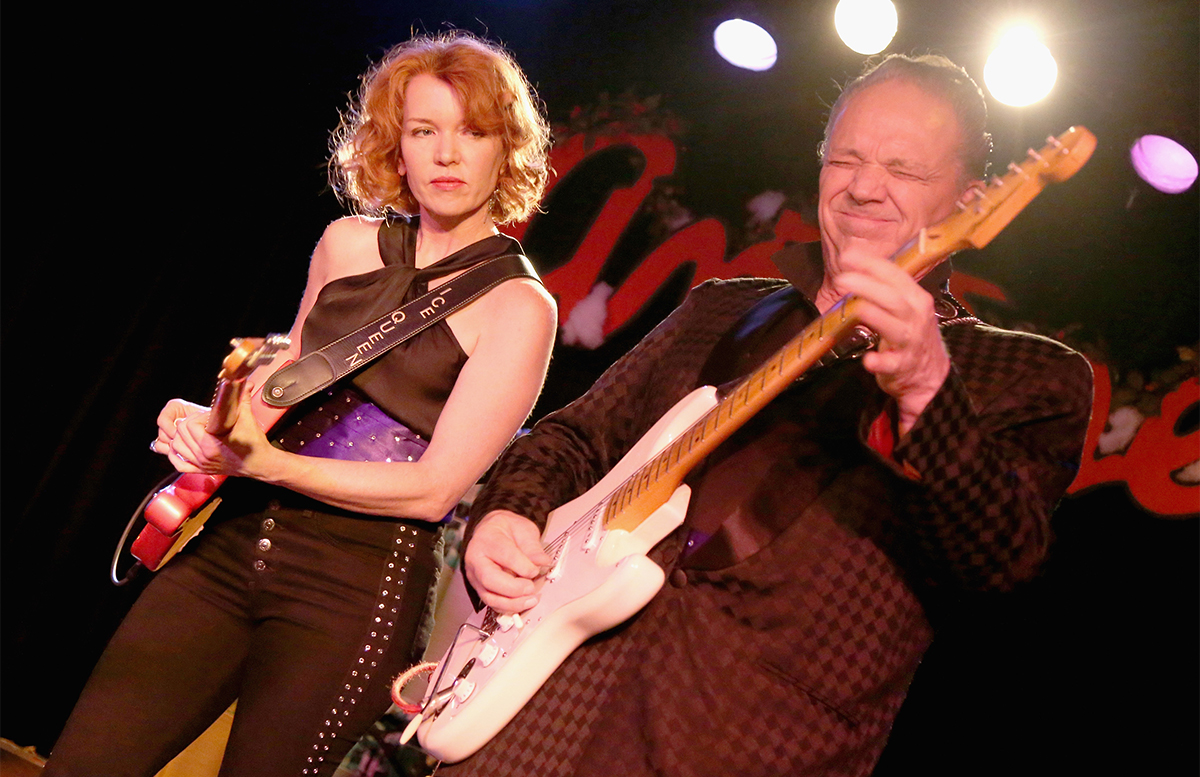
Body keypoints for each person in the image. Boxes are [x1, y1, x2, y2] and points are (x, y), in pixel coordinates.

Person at [450, 54, 1093, 777]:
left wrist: (926, 392)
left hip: (740, 747)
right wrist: (508, 513)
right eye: (843, 158)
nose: (863, 186)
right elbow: (571, 438)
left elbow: (1000, 563)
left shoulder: (1026, 376)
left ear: (972, 199)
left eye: (904, 170)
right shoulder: (720, 307)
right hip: (531, 721)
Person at [44, 32, 556, 777]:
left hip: (351, 597)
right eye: (424, 131)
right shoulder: (345, 243)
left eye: (471, 133)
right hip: (229, 549)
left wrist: (268, 463)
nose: (447, 155)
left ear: (504, 149)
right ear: (397, 144)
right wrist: (208, 422)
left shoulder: (519, 306)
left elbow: (434, 488)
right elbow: (277, 393)